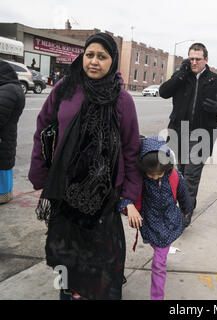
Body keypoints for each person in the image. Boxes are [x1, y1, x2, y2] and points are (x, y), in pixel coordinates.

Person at [28, 33, 142, 300]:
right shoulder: (65, 88)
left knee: (100, 262)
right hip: (65, 190)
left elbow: (131, 148)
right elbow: (43, 128)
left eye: (102, 56)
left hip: (104, 197)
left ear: (112, 61)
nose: (93, 61)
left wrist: (128, 195)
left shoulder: (123, 100)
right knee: (67, 257)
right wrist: (41, 174)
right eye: (90, 55)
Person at [159, 43, 217, 227]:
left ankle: (185, 214)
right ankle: (186, 205)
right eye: (191, 58)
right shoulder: (182, 76)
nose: (194, 62)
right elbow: (164, 92)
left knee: (191, 176)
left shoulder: (216, 81)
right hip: (179, 133)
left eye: (198, 59)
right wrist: (181, 74)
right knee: (179, 174)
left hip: (202, 135)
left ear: (206, 60)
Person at [119, 136, 192, 300]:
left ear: (167, 167)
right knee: (158, 248)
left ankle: (157, 297)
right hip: (149, 224)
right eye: (151, 175)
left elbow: (183, 194)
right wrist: (128, 207)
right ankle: (162, 255)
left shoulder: (174, 176)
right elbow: (126, 196)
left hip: (170, 222)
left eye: (159, 174)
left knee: (158, 264)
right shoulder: (138, 180)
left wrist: (187, 210)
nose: (155, 177)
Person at [0, 61, 25, 204]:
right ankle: (5, 193)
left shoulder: (8, 90)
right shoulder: (12, 88)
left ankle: (3, 195)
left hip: (3, 137)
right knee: (5, 163)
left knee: (3, 164)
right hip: (7, 136)